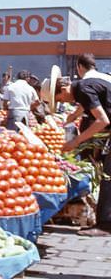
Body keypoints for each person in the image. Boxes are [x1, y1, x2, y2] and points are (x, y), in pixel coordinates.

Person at [43, 73, 111, 236]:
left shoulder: (83, 89)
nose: (62, 102)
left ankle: (105, 225)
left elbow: (102, 120)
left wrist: (76, 141)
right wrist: (73, 116)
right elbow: (87, 105)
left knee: (108, 177)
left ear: (64, 88)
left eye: (59, 99)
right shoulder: (83, 87)